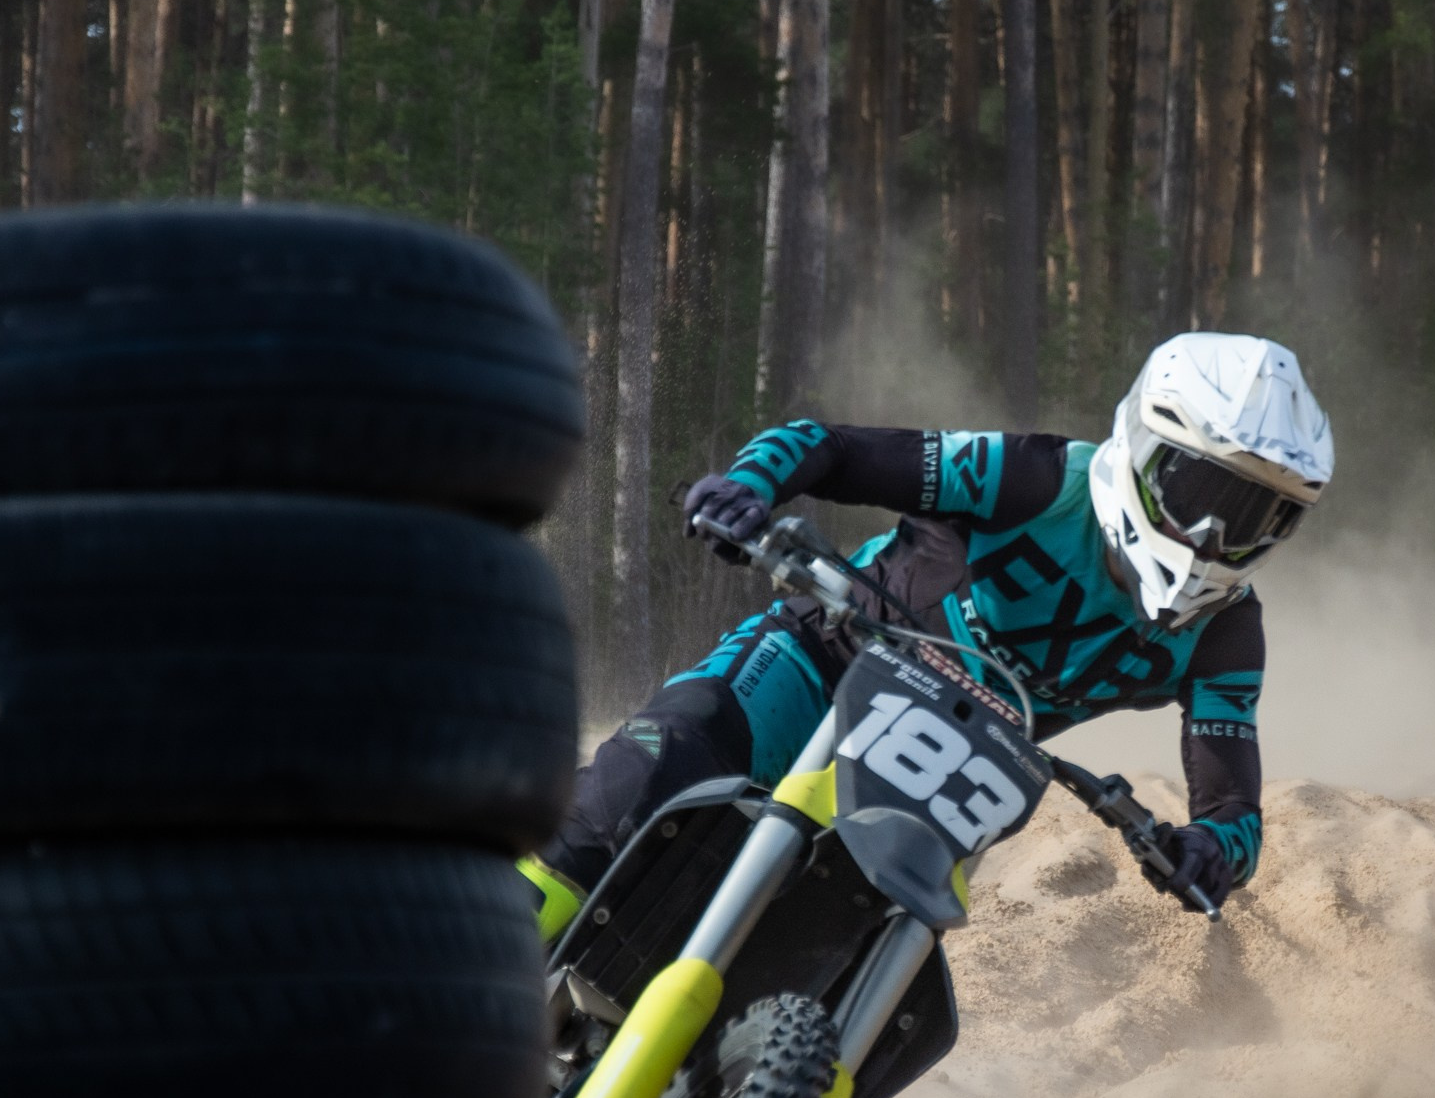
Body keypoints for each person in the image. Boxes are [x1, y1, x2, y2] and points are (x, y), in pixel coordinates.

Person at [519, 331, 1333, 937]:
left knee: (850, 952)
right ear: (1147, 447)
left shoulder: (1226, 632)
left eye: (1256, 516)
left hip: (948, 775)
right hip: (819, 663)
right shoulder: (1038, 480)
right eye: (1198, 490)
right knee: (641, 780)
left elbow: (1234, 808)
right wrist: (746, 487)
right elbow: (826, 446)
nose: (1212, 535)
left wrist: (1210, 851)